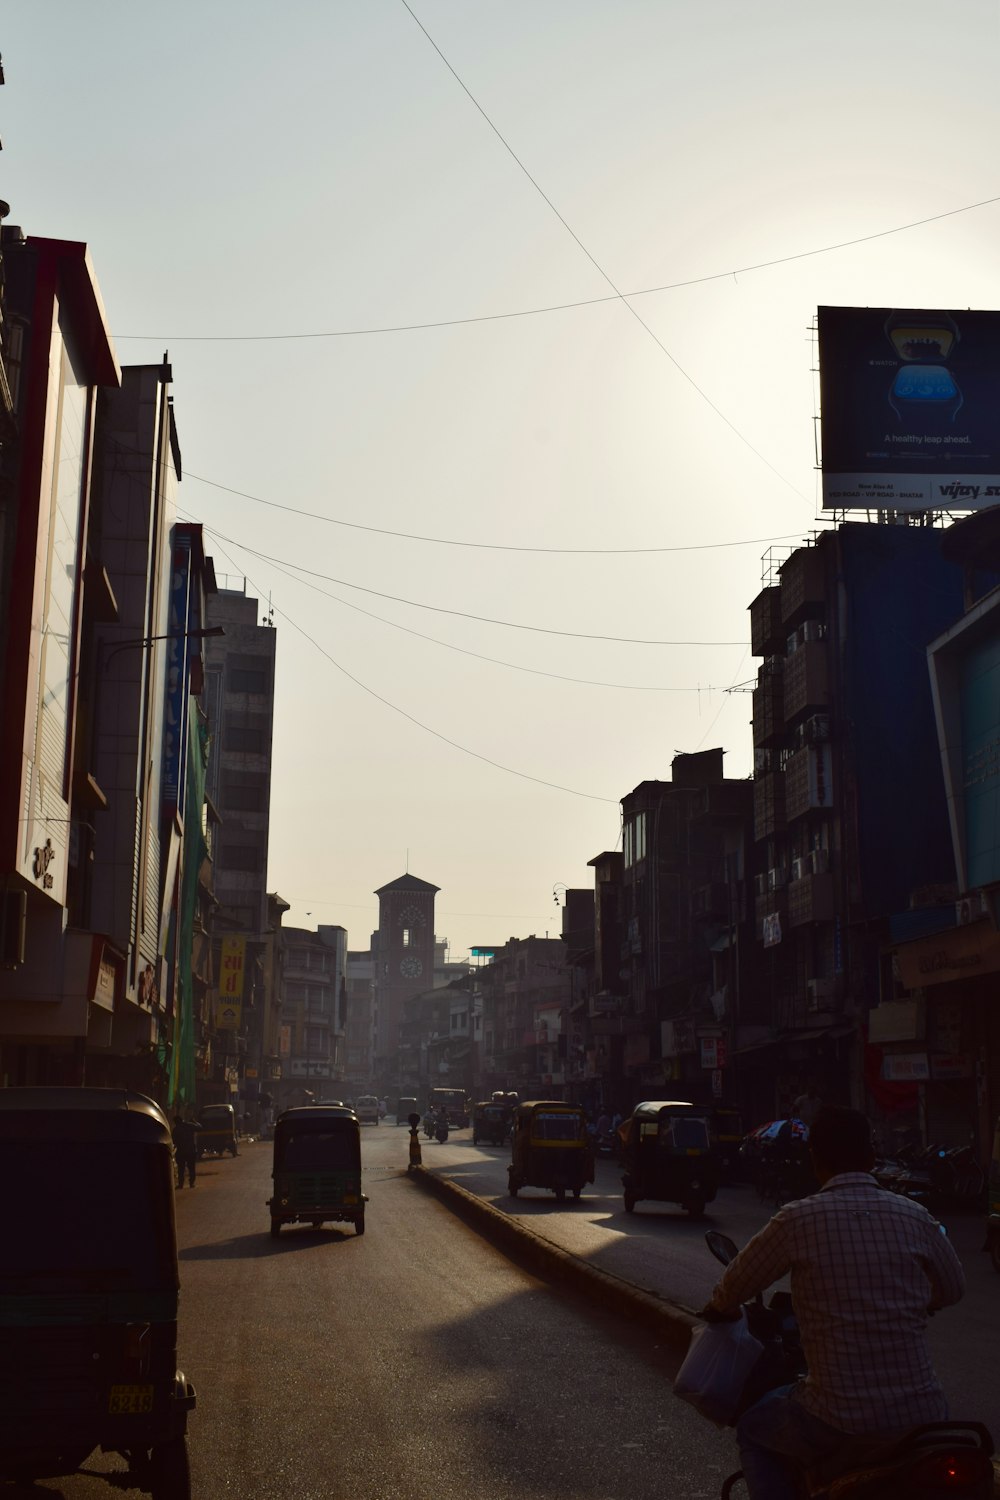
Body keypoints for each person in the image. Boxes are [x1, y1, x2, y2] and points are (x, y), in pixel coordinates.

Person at [701, 1105, 965, 1500]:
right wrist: (916, 1301)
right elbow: (953, 1288)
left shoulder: (796, 1219)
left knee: (754, 1428)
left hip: (838, 1417)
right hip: (924, 1416)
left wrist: (719, 1310)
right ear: (872, 1156)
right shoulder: (915, 1216)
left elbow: (733, 1284)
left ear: (815, 1160)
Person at [172, 1113, 199, 1188]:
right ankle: (191, 1183)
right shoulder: (189, 1125)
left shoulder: (176, 1129)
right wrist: (194, 1122)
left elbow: (173, 1141)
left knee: (181, 1169)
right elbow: (200, 1128)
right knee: (191, 1168)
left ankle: (181, 1184)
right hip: (191, 1151)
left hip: (181, 1152)